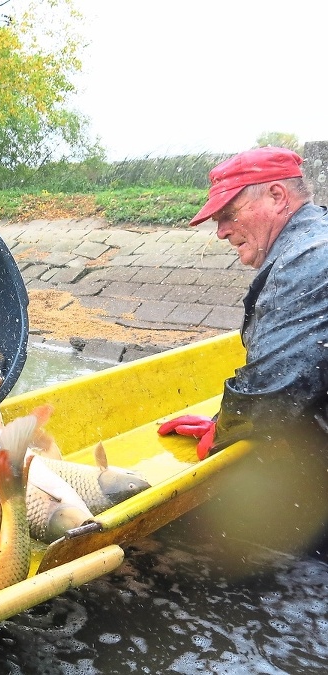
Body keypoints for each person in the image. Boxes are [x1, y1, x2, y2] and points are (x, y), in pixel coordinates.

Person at [157, 146, 328, 556]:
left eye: (229, 214)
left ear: (276, 196)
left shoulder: (310, 257)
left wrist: (229, 427)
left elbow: (270, 391)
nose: (220, 231)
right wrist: (226, 417)